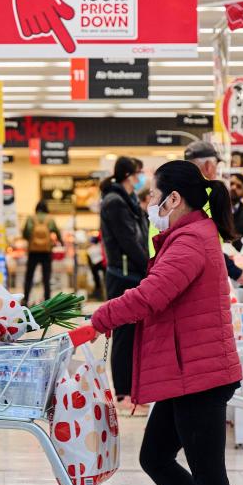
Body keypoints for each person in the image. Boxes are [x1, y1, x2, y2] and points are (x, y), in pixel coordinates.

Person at [91, 160, 243, 485]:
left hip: (201, 374)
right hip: (188, 370)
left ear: (174, 198)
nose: (151, 204)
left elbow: (150, 296)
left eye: (155, 196)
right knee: (156, 457)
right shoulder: (185, 236)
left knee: (207, 470)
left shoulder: (191, 241)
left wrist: (98, 319)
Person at [99, 156, 149, 399]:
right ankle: (122, 390)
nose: (141, 178)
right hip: (123, 275)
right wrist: (150, 266)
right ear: (130, 174)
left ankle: (131, 387)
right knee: (122, 333)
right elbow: (128, 241)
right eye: (139, 173)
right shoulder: (114, 202)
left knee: (132, 334)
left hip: (132, 274)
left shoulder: (126, 200)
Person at [185, 140, 243, 293]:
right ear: (208, 166)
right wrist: (237, 272)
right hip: (193, 281)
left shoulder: (178, 196)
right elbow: (207, 248)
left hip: (176, 275)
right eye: (216, 166)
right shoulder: (202, 199)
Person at [21, 200, 59, 307]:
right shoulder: (50, 219)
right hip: (46, 252)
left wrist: (33, 240)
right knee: (46, 278)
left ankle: (25, 300)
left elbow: (26, 233)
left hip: (33, 252)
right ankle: (47, 302)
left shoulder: (31, 218)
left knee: (29, 277)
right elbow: (56, 233)